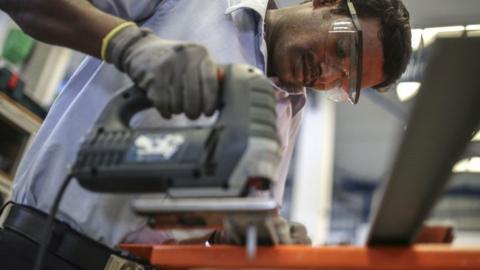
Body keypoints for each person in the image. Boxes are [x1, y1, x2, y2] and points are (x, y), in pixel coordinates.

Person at [0, 0, 411, 269]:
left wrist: (239, 230)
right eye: (343, 51)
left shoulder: (289, 111)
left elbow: (223, 217)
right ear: (326, 4)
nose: (327, 74)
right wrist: (124, 43)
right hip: (37, 250)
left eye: (344, 82)